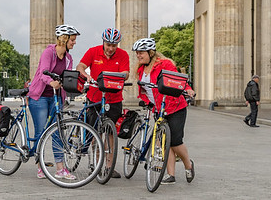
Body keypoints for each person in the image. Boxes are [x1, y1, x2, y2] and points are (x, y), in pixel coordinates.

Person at [133, 37, 196, 185]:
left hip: (175, 106)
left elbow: (178, 80)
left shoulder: (165, 64)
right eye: (137, 53)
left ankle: (189, 164)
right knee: (164, 141)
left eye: (141, 52)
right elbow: (145, 90)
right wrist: (147, 102)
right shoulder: (140, 69)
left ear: (151, 52)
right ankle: (170, 175)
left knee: (175, 141)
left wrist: (188, 90)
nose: (138, 55)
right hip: (158, 109)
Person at [27, 24, 80, 180]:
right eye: (73, 39)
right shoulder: (48, 53)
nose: (74, 42)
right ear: (64, 39)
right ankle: (40, 166)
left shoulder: (69, 58)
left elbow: (67, 77)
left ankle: (60, 168)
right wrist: (51, 82)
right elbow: (43, 72)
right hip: (40, 96)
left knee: (57, 131)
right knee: (41, 131)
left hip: (56, 97)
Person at [76, 27, 129, 179]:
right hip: (95, 97)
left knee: (111, 134)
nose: (111, 48)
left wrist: (122, 76)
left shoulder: (123, 54)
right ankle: (96, 163)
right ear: (103, 42)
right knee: (95, 133)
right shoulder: (93, 51)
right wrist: (85, 75)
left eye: (114, 45)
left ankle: (109, 166)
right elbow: (81, 66)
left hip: (114, 98)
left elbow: (126, 72)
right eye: (108, 45)